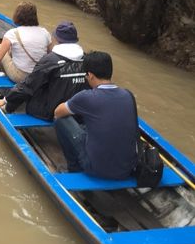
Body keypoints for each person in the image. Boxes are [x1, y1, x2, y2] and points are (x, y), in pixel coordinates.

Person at [54, 51, 137, 179]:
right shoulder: (128, 95)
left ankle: (74, 168)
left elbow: (58, 112)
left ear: (91, 76)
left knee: (60, 120)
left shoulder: (86, 97)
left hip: (96, 168)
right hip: (127, 169)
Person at [0, 21, 85, 118]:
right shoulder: (86, 59)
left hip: (47, 111)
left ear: (55, 38)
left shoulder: (50, 60)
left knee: (31, 86)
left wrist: (7, 101)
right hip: (76, 111)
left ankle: (8, 105)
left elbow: (28, 86)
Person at [0, 2, 51, 83]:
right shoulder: (45, 32)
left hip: (20, 77)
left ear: (17, 15)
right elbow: (49, 54)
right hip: (39, 75)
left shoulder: (13, 33)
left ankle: (4, 73)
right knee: (11, 49)